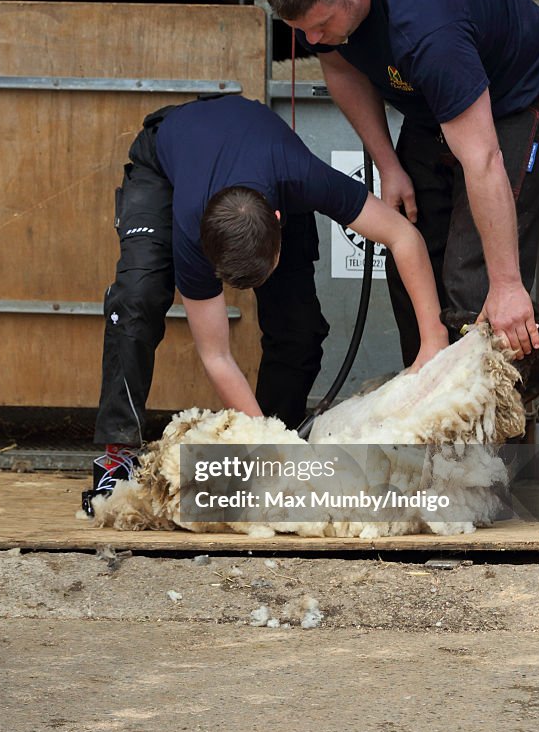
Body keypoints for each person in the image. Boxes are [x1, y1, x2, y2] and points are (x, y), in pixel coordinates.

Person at [84, 95, 448, 514]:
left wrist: (432, 340)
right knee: (137, 298)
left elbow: (404, 236)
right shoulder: (190, 231)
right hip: (166, 163)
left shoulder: (304, 177)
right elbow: (216, 354)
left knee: (299, 329)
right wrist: (266, 441)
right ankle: (118, 454)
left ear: (279, 220)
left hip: (264, 162)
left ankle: (271, 463)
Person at [264, 0, 539, 368]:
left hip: (517, 98)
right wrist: (390, 165)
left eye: (320, 26)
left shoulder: (427, 30)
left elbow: (482, 160)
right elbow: (343, 70)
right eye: (299, 31)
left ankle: (496, 420)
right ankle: (428, 395)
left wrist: (507, 284)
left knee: (476, 282)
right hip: (434, 102)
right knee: (410, 247)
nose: (311, 40)